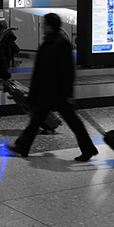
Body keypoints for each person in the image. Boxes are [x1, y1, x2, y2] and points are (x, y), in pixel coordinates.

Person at [8, 13, 99, 161]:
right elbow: (39, 70)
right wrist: (34, 92)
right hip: (47, 91)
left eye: (45, 24)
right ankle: (22, 146)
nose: (42, 26)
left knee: (72, 122)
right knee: (36, 120)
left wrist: (68, 94)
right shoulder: (48, 43)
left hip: (59, 92)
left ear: (51, 26)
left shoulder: (60, 43)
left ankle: (88, 148)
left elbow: (68, 71)